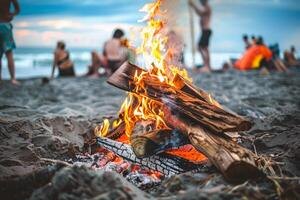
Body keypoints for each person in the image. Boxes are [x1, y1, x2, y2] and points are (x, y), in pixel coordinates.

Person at [189, 0, 212, 72]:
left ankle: (206, 66)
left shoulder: (207, 8)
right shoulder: (205, 8)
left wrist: (193, 5)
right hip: (204, 31)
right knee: (203, 48)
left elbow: (200, 13)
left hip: (206, 30)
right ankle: (207, 65)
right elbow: (199, 13)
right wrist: (193, 6)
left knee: (202, 47)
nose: (201, 2)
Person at [0, 0, 20, 84]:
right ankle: (13, 79)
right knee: (9, 54)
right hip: (5, 25)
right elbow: (17, 9)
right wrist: (11, 15)